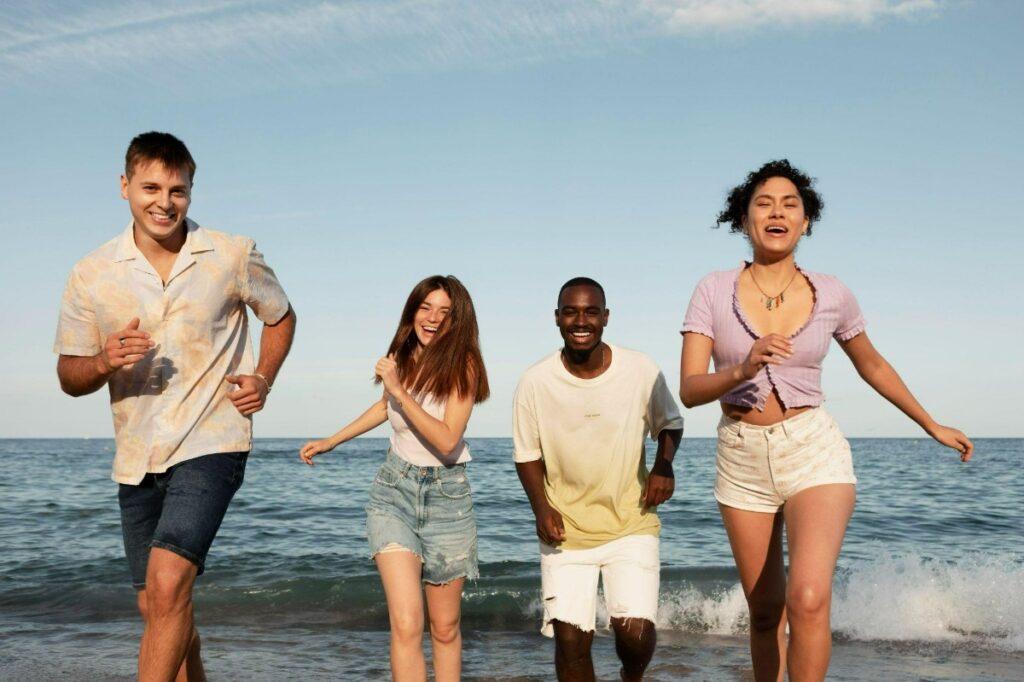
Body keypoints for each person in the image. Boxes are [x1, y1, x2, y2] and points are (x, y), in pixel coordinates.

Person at [679, 159, 973, 682]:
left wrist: (931, 424)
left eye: (790, 204)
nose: (777, 212)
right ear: (744, 221)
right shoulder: (711, 289)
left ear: (806, 221)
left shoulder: (832, 292)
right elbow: (689, 388)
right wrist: (743, 368)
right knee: (766, 610)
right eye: (764, 204)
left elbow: (873, 365)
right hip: (742, 455)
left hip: (813, 449)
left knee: (809, 598)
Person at [54, 131, 296, 681]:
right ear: (125, 187)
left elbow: (280, 315)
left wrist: (263, 376)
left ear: (191, 192)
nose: (164, 201)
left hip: (213, 439)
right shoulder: (91, 273)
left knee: (166, 588)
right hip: (137, 454)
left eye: (178, 190)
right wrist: (102, 361)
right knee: (159, 606)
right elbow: (69, 375)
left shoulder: (232, 253)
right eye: (151, 187)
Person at [299, 275, 488, 682]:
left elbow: (446, 439)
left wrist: (401, 391)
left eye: (445, 312)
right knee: (405, 624)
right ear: (413, 311)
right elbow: (385, 407)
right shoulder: (401, 355)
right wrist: (333, 439)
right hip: (393, 492)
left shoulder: (465, 366)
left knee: (444, 627)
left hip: (447, 497)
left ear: (459, 321)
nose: (433, 318)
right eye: (425, 307)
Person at [513, 277, 684, 682]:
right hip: (565, 531)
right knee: (571, 643)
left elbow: (670, 424)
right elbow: (526, 454)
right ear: (557, 318)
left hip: (631, 521)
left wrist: (664, 465)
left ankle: (632, 676)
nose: (581, 320)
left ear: (605, 317)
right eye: (570, 311)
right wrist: (542, 507)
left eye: (591, 311)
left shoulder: (640, 370)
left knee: (635, 635)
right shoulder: (535, 381)